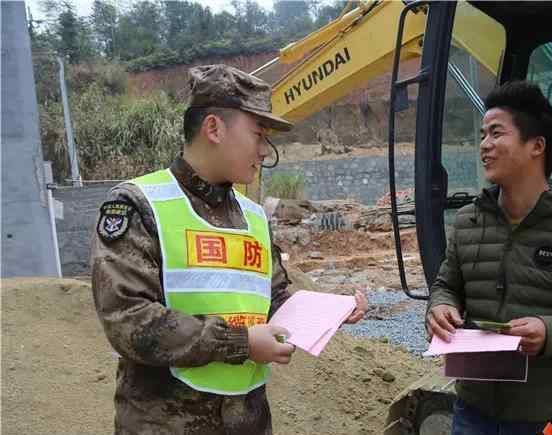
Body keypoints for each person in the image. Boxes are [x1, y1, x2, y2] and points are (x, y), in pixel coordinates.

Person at [91, 64, 367, 435]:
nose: (265, 151)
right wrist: (241, 343)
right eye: (258, 134)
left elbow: (273, 298)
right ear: (214, 128)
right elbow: (127, 319)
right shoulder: (140, 205)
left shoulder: (253, 217)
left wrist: (327, 312)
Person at [426, 81, 552, 435]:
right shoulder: (468, 221)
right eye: (482, 135)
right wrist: (440, 306)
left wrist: (550, 332)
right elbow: (447, 285)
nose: (484, 144)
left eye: (496, 133)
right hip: (473, 413)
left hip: (545, 418)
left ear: (536, 145)